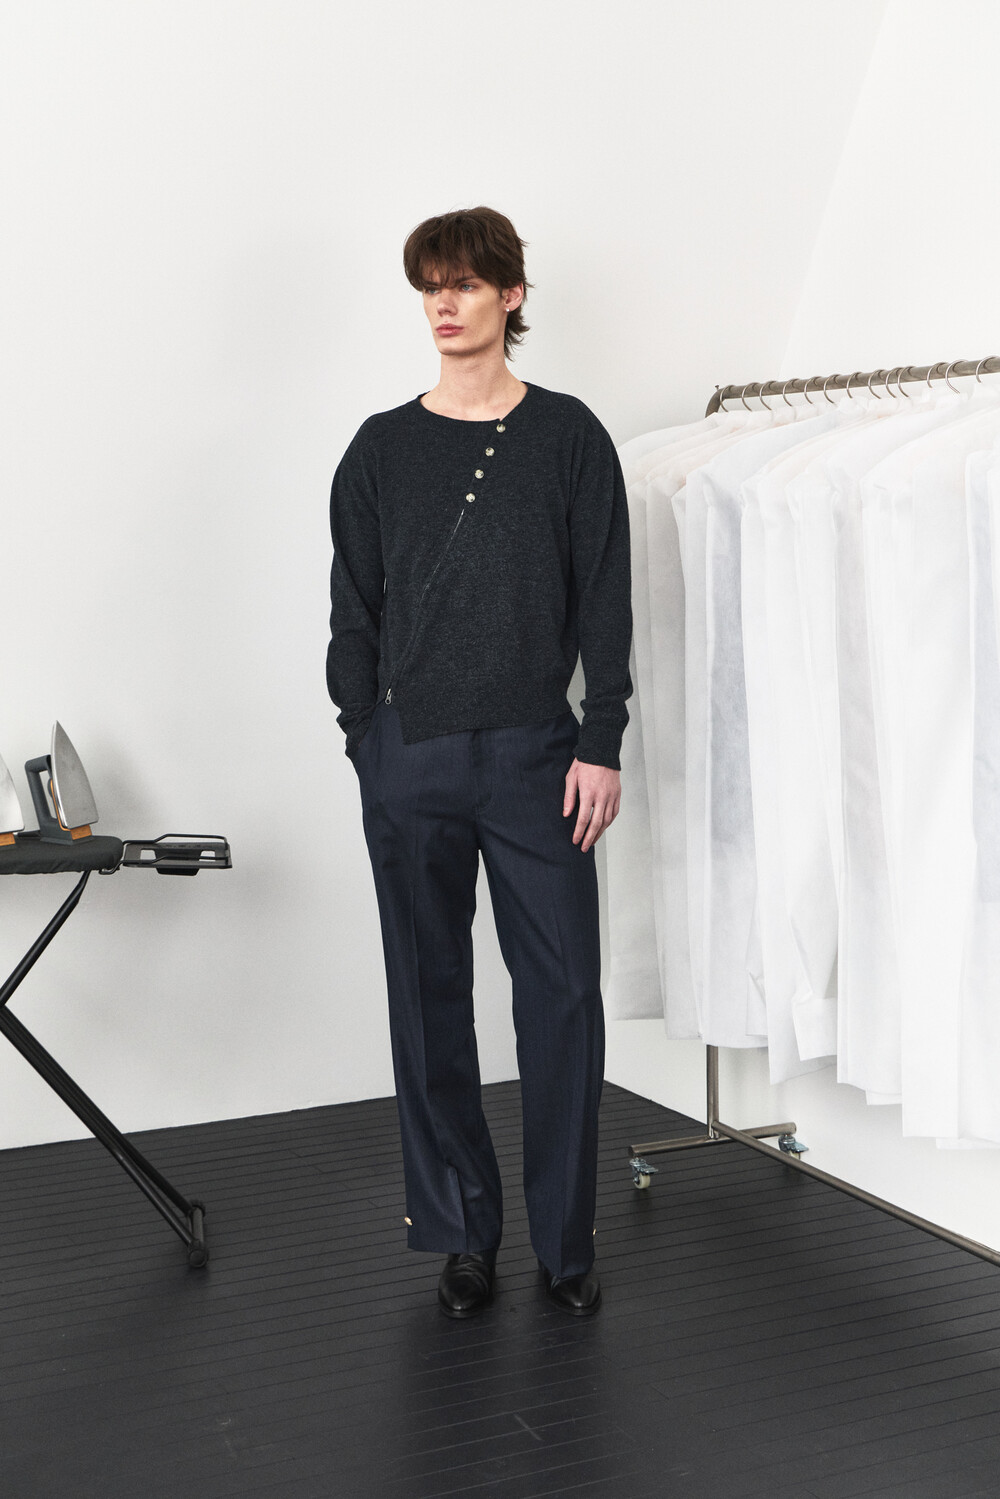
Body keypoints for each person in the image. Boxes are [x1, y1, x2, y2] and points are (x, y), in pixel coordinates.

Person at [327, 206, 632, 1318]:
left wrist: (600, 741)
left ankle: (566, 1241)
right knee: (427, 996)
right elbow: (353, 609)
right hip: (410, 756)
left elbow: (605, 601)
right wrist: (366, 737)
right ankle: (461, 1232)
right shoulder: (377, 447)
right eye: (430, 285)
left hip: (536, 757)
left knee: (564, 996)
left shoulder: (568, 436)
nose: (444, 304)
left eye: (464, 283)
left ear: (511, 295)